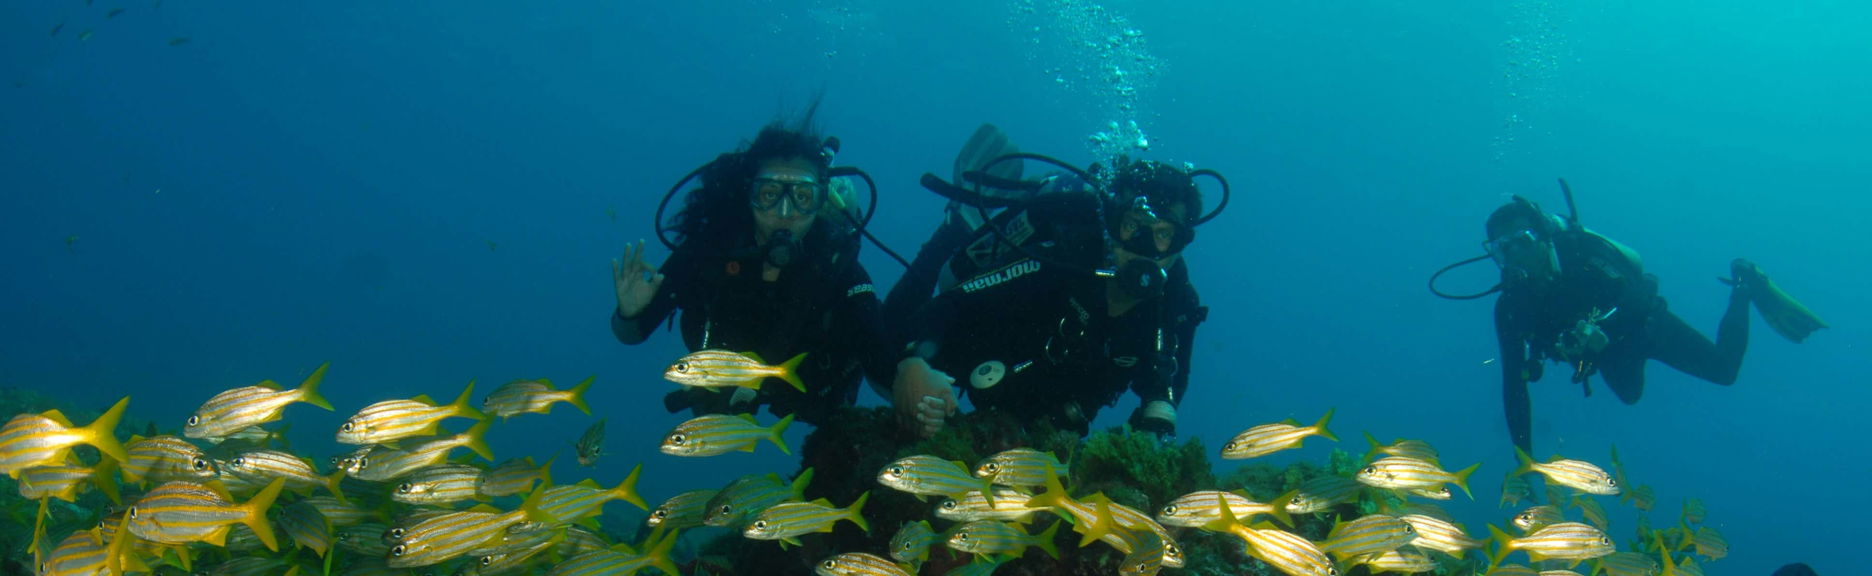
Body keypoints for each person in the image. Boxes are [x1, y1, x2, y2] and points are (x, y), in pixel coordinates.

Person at [883, 125, 1221, 440]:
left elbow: (1167, 390)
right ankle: (958, 226)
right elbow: (951, 303)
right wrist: (914, 362)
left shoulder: (1175, 305)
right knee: (884, 360)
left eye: (1163, 234)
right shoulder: (1062, 258)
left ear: (1181, 242)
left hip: (1046, 407)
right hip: (979, 353)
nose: (1145, 249)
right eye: (1133, 225)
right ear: (1112, 223)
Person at [1436, 185, 1825, 456]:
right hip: (1606, 356)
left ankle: (1743, 284)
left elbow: (1643, 288)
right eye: (1503, 249)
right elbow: (1513, 386)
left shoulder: (1582, 255)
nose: (1515, 255)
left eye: (1521, 241)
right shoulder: (1509, 307)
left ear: (1542, 237)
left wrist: (1602, 328)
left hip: (1647, 329)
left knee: (1724, 372)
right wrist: (1525, 459)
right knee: (1630, 396)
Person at [611, 109, 891, 426]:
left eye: (802, 196)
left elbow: (879, 361)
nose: (785, 213)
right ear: (749, 195)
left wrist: (911, 377)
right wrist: (630, 313)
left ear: (820, 202)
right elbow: (632, 335)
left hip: (810, 395)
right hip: (721, 386)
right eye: (769, 194)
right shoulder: (709, 250)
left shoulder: (837, 266)